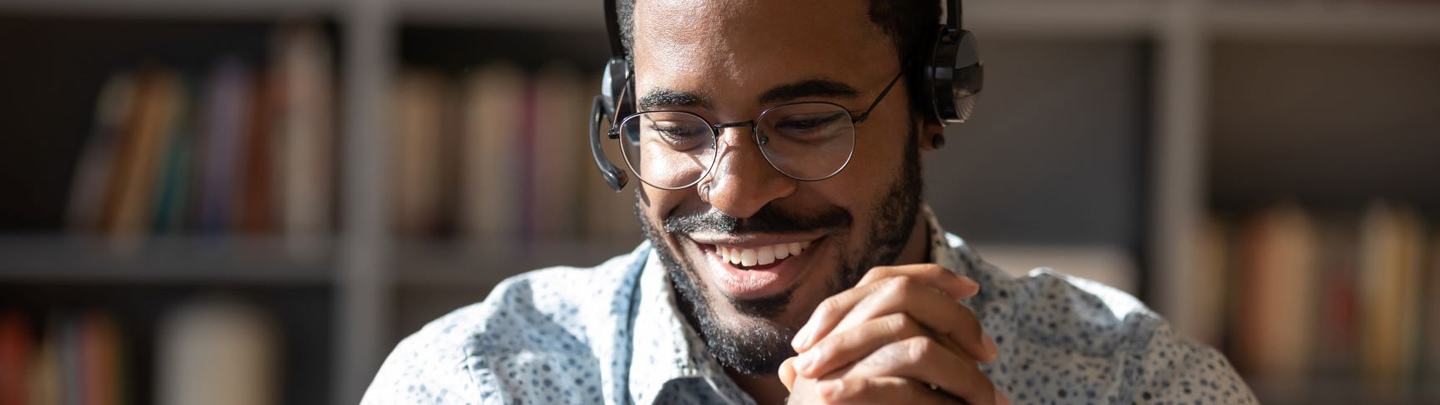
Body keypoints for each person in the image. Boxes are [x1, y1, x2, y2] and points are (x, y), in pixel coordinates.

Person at [361, 0, 1257, 403]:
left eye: (807, 121)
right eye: (678, 127)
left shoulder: (1144, 389)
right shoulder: (472, 385)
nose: (737, 190)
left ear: (934, 107)